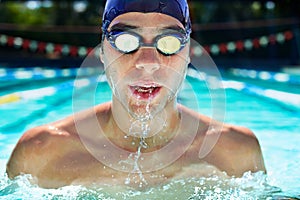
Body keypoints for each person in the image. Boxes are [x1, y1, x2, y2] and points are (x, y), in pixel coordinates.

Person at [6, 0, 266, 189]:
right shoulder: (40, 153)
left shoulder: (237, 152)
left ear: (188, 55)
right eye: (126, 41)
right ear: (102, 53)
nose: (147, 62)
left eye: (169, 42)